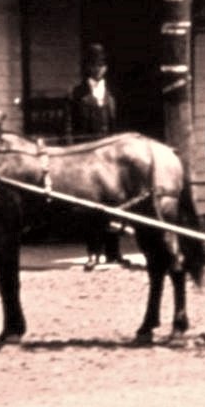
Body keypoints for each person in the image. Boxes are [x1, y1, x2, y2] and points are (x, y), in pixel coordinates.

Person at [67, 42, 122, 266]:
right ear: (87, 68)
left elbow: (118, 126)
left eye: (101, 65)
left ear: (106, 68)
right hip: (87, 156)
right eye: (94, 65)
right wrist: (73, 152)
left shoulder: (112, 94)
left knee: (114, 204)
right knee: (90, 206)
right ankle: (93, 252)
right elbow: (69, 127)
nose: (98, 70)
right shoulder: (76, 94)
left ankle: (113, 252)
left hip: (110, 156)